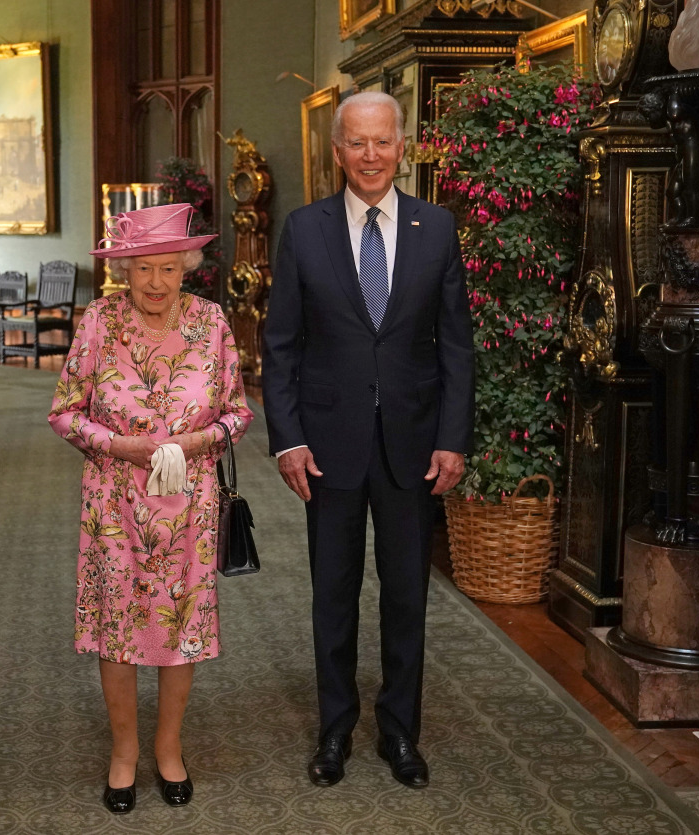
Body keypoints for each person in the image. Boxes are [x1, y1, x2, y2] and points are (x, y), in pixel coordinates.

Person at [262, 91, 475, 790]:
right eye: (358, 143)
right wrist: (288, 439)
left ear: (402, 145)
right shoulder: (304, 229)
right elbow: (281, 344)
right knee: (334, 594)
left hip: (415, 448)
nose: (372, 156)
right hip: (329, 446)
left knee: (408, 596)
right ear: (337, 150)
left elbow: (456, 348)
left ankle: (399, 732)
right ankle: (333, 731)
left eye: (383, 142)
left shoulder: (437, 228)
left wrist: (453, 438)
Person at [49, 203, 253, 815]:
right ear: (125, 272)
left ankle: (169, 747)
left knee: (179, 625)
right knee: (118, 629)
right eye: (143, 270)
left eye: (168, 268)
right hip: (114, 501)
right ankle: (123, 752)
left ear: (187, 266)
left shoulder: (212, 322)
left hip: (190, 503)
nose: (157, 283)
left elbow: (238, 413)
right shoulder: (97, 321)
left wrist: (191, 444)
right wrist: (120, 445)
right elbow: (63, 411)